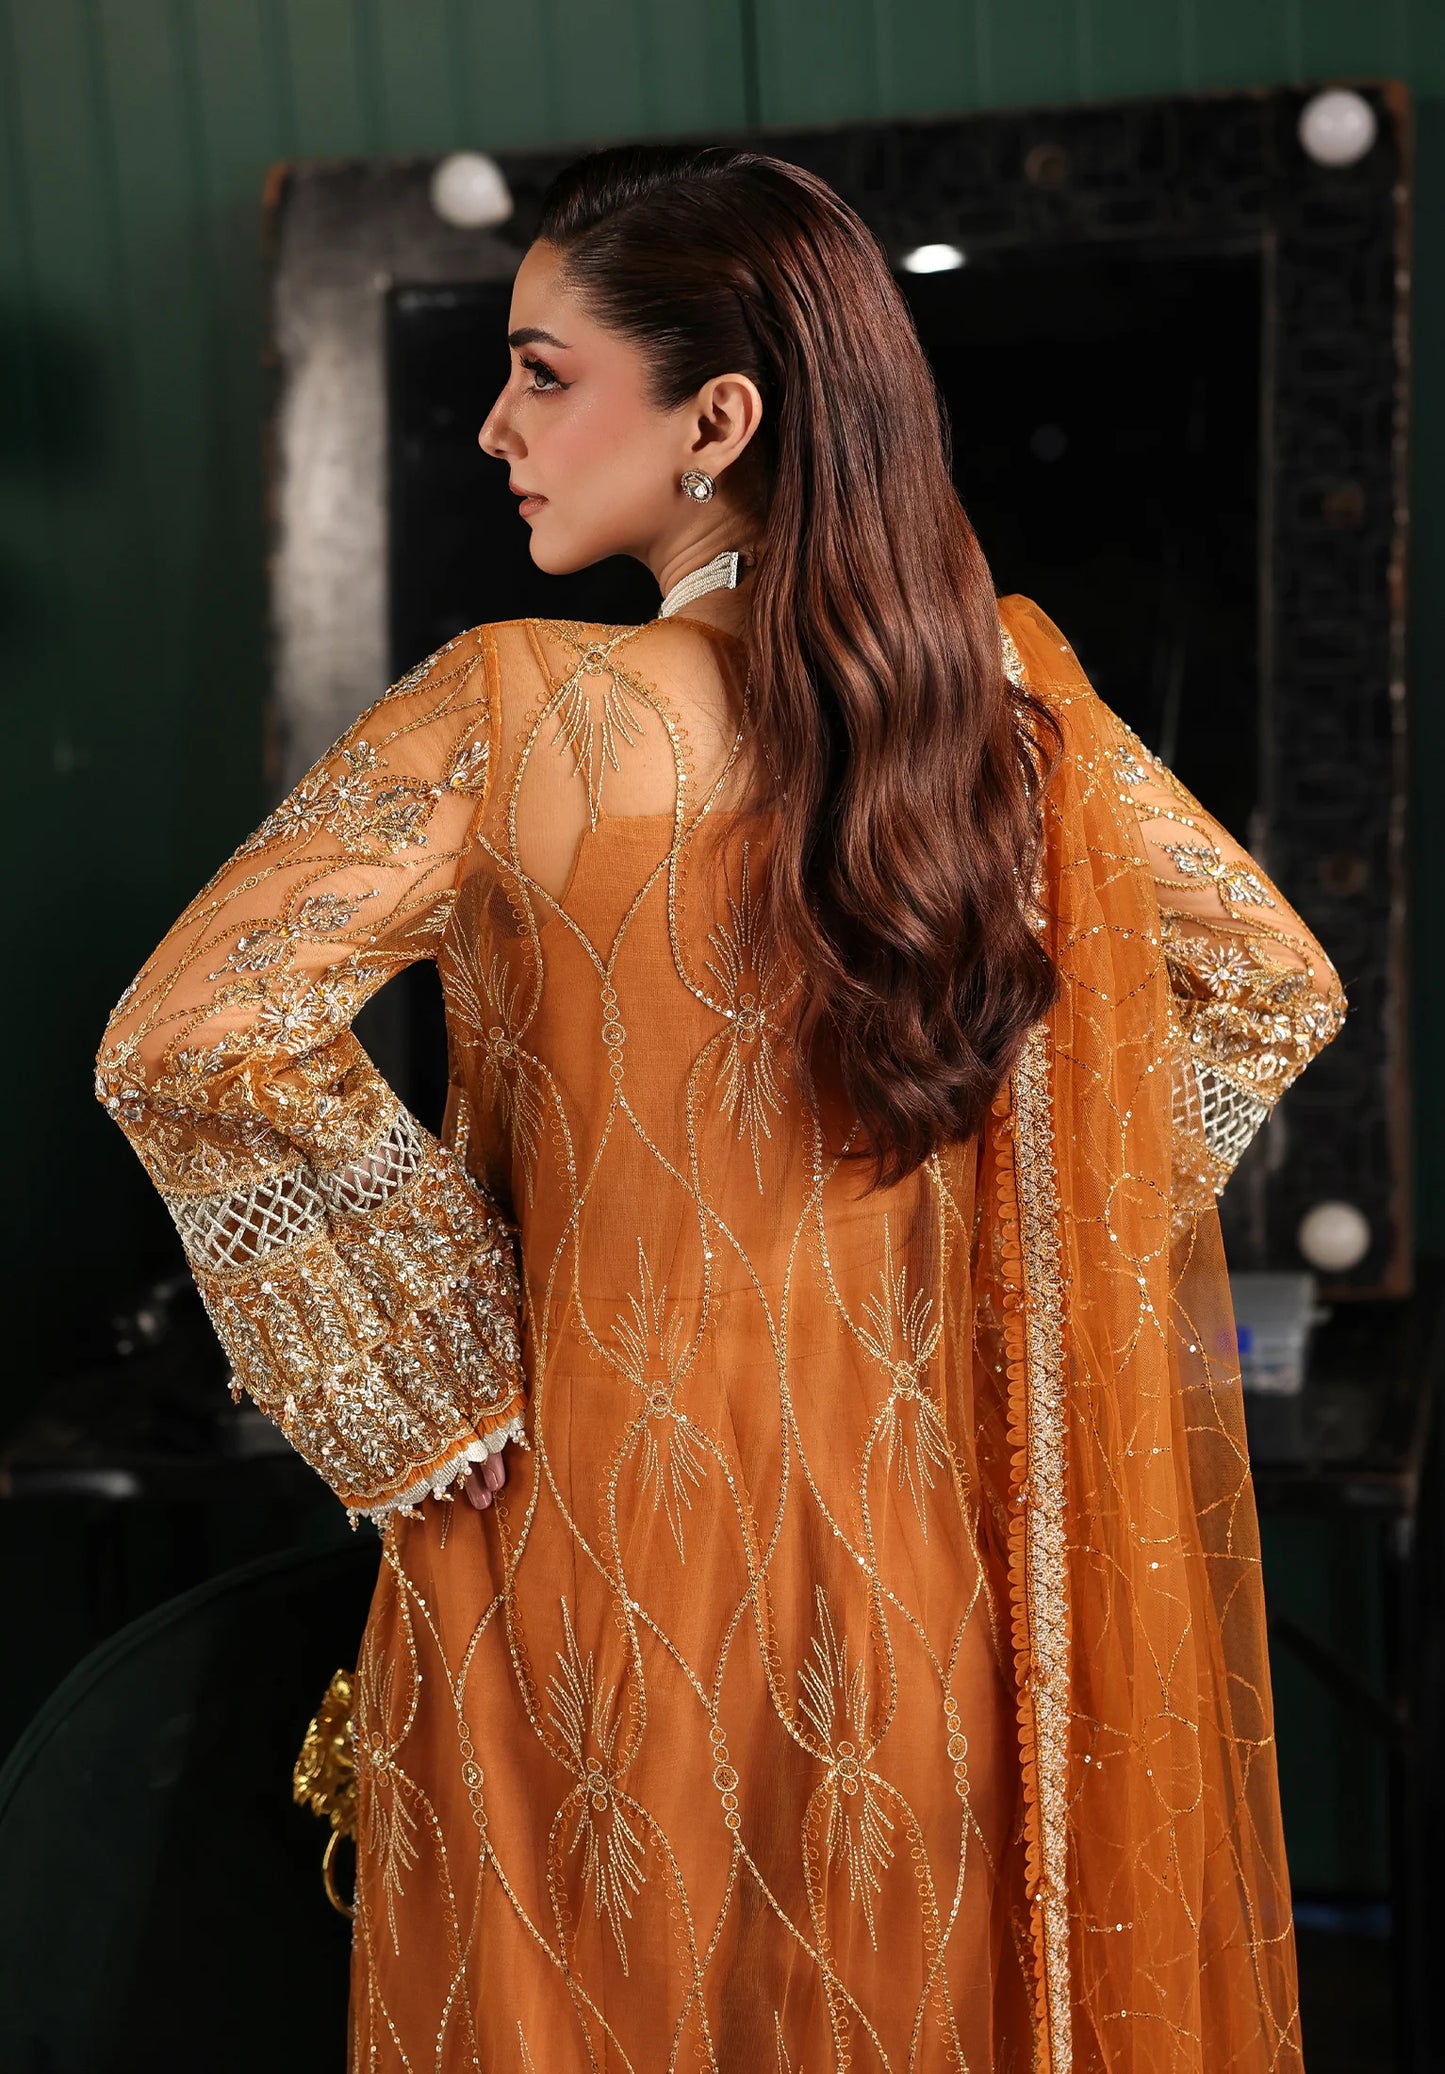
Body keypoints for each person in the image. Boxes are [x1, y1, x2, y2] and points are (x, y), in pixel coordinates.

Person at [95, 143, 1345, 2073]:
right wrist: (1040, 1243)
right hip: (933, 1580)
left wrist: (432, 1378)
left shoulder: (510, 707)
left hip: (572, 1558)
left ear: (717, 416)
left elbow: (187, 1035)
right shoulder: (1006, 711)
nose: (498, 422)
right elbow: (1271, 984)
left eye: (543, 369)